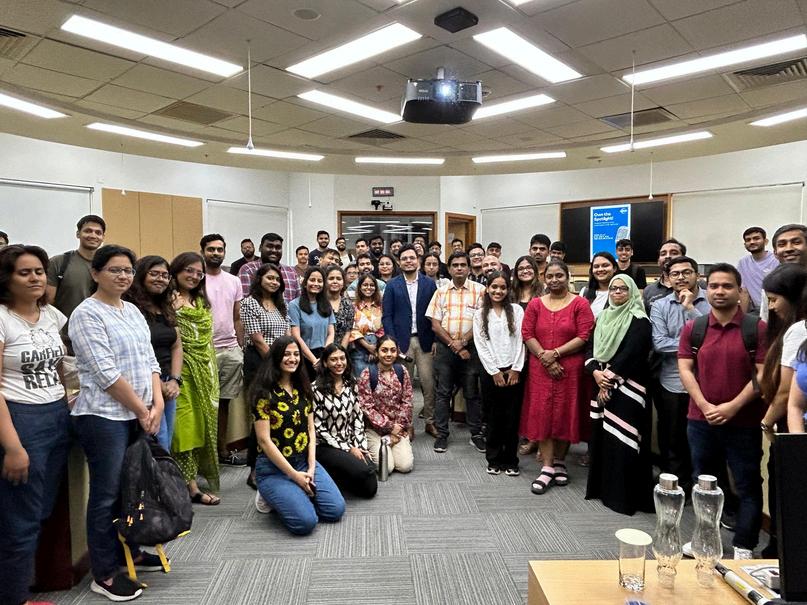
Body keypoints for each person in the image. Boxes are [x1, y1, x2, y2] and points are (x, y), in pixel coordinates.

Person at [69, 245, 164, 602]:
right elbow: (105, 373)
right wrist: (142, 410)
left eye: (127, 270)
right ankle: (105, 573)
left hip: (140, 412)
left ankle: (131, 553)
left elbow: (150, 360)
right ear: (95, 273)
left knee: (132, 490)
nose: (123, 276)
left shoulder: (133, 310)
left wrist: (156, 403)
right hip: (103, 417)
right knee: (106, 495)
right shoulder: (86, 314)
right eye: (114, 269)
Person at [679, 263, 767, 559]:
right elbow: (685, 369)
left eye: (727, 286)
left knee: (746, 483)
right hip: (700, 420)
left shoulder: (756, 328)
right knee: (703, 482)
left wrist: (732, 406)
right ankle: (705, 540)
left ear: (739, 290)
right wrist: (704, 405)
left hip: (743, 421)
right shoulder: (695, 328)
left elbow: (762, 375)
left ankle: (744, 544)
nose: (719, 291)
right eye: (714, 286)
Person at [0, 245, 71, 605]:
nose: (35, 278)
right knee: (20, 517)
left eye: (39, 271)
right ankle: (14, 597)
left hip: (56, 415)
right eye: (24, 272)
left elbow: (59, 367)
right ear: (6, 279)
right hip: (20, 419)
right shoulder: (2, 319)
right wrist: (13, 446)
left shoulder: (52, 316)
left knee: (42, 509)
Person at [250, 336, 345, 534]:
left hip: (302, 460)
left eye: (296, 354)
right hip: (273, 468)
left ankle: (295, 493)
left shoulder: (303, 387)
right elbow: (264, 441)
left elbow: (311, 430)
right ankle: (269, 494)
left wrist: (311, 468)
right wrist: (294, 477)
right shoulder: (263, 393)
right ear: (276, 357)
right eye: (286, 354)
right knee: (305, 523)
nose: (292, 359)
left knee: (335, 510)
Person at [521, 259, 594, 495]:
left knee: (564, 414)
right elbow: (527, 333)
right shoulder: (535, 304)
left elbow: (584, 335)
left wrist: (556, 354)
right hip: (540, 368)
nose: (554, 280)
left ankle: (560, 461)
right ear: (544, 279)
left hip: (569, 369)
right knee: (543, 415)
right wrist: (546, 357)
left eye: (559, 276)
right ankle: (547, 466)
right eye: (550, 276)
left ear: (567, 276)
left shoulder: (580, 304)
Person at [585, 275, 654, 515]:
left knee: (625, 439)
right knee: (603, 438)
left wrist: (609, 381)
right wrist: (595, 372)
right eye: (613, 289)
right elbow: (590, 348)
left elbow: (633, 354)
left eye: (623, 289)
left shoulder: (640, 320)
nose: (617, 292)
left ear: (632, 292)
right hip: (601, 382)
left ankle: (623, 497)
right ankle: (603, 490)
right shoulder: (603, 317)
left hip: (629, 388)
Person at [756, 264, 807, 557]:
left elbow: (787, 391)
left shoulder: (799, 331)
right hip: (793, 425)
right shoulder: (792, 328)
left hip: (790, 427)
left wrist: (766, 422)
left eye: (775, 299)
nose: (772, 307)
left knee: (786, 496)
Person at [649, 255, 710, 494]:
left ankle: (701, 489)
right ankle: (676, 487)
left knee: (703, 440)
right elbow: (660, 343)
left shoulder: (711, 301)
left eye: (686, 272)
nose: (681, 278)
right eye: (675, 274)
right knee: (672, 439)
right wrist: (695, 346)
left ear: (697, 275)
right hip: (672, 382)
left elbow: (714, 339)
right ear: (668, 278)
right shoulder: (660, 306)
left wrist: (690, 308)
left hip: (706, 383)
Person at [170, 252, 220, 506]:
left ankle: (190, 480)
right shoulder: (169, 300)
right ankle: (188, 487)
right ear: (176, 271)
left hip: (205, 372)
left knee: (200, 429)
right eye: (188, 270)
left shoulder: (201, 301)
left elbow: (207, 340)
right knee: (184, 432)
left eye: (199, 273)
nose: (194, 276)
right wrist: (173, 310)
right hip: (181, 373)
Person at [426, 251, 487, 453]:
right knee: (443, 393)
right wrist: (454, 344)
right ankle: (442, 435)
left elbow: (481, 322)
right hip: (445, 349)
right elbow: (435, 324)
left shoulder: (480, 291)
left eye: (463, 265)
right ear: (449, 269)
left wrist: (463, 343)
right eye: (455, 265)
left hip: (471, 349)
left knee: (472, 393)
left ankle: (476, 434)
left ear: (469, 268)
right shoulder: (440, 292)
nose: (459, 268)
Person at [240, 263, 290, 491]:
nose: (274, 282)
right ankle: (254, 470)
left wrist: (287, 361)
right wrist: (278, 364)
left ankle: (276, 465)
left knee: (278, 414)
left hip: (281, 363)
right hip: (260, 363)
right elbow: (258, 341)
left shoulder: (281, 304)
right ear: (259, 279)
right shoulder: (249, 303)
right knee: (261, 415)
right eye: (270, 278)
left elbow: (287, 335)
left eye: (277, 279)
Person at [125, 255, 183, 452]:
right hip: (144, 383)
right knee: (159, 441)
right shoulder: (131, 309)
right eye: (154, 274)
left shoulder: (165, 307)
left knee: (166, 441)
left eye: (165, 275)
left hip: (168, 382)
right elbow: (138, 353)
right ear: (141, 275)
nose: (161, 279)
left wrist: (175, 379)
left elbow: (176, 346)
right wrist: (159, 384)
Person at [382, 244, 438, 437]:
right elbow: (387, 316)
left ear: (418, 260)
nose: (408, 261)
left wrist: (435, 339)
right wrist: (392, 343)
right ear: (399, 262)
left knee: (428, 384)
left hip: (425, 341)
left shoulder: (429, 284)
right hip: (401, 343)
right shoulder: (392, 285)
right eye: (404, 258)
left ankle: (430, 422)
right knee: (403, 387)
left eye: (412, 258)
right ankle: (407, 424)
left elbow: (436, 314)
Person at [473, 271, 525, 476]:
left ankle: (511, 460)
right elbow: (481, 344)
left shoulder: (517, 311)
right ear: (487, 288)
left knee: (512, 418)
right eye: (494, 286)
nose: (498, 291)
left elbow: (521, 341)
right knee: (493, 417)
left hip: (513, 371)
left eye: (503, 287)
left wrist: (516, 368)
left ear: (508, 290)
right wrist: (494, 371)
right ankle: (493, 459)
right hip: (491, 372)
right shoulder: (480, 314)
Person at [200, 234, 245, 466]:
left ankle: (222, 451)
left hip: (230, 349)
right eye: (211, 249)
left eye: (219, 249)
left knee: (224, 403)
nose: (216, 253)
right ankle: (204, 456)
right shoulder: (197, 279)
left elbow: (237, 317)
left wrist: (239, 346)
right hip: (205, 351)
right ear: (202, 252)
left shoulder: (234, 281)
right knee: (204, 404)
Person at [313, 344, 377, 498]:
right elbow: (318, 429)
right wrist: (349, 449)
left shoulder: (351, 383)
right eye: (333, 359)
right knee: (368, 479)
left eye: (342, 358)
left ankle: (337, 475)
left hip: (350, 441)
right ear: (325, 363)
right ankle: (331, 473)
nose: (339, 363)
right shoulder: (315, 389)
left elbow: (357, 417)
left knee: (370, 472)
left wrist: (360, 445)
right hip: (326, 445)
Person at [357, 335, 414, 474]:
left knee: (405, 466)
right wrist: (390, 427)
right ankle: (376, 448)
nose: (389, 354)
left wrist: (398, 428)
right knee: (386, 468)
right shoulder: (367, 374)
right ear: (377, 352)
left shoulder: (402, 371)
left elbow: (407, 401)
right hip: (375, 430)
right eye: (384, 350)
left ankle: (393, 444)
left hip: (398, 427)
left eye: (393, 350)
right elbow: (367, 407)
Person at [46, 214, 106, 319]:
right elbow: (48, 303)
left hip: (100, 327)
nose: (93, 236)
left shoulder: (109, 266)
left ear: (103, 237)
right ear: (78, 234)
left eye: (98, 233)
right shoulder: (58, 262)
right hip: (65, 328)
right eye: (88, 231)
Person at [289, 266, 335, 380]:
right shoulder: (294, 305)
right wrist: (314, 361)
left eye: (320, 281)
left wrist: (324, 356)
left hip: (324, 354)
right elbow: (296, 336)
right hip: (304, 356)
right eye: (312, 280)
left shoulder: (326, 305)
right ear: (305, 283)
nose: (316, 283)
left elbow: (331, 333)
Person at [759, 224, 807, 321]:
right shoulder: (772, 283)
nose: (789, 249)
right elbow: (766, 320)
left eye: (796, 242)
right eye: (782, 245)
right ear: (775, 253)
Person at [238, 232, 300, 302]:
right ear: (260, 248)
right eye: (270, 246)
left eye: (278, 247)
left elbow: (299, 302)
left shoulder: (291, 272)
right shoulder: (248, 269)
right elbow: (245, 302)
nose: (274, 250)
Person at [349, 274, 384, 378]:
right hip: (359, 348)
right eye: (365, 285)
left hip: (378, 347)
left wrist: (375, 348)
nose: (368, 287)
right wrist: (368, 347)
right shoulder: (353, 306)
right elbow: (353, 329)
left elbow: (384, 327)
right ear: (360, 287)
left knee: (377, 381)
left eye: (371, 285)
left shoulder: (381, 306)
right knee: (361, 380)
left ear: (376, 287)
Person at [736, 227, 778, 309]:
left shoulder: (776, 260)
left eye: (756, 238)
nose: (752, 242)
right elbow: (744, 292)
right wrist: (742, 316)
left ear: (766, 241)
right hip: (756, 309)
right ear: (745, 245)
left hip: (776, 307)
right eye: (748, 240)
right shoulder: (743, 263)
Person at [643, 238, 687, 310]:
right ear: (658, 261)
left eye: (674, 253)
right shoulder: (649, 290)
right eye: (663, 254)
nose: (668, 256)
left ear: (684, 259)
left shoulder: (698, 286)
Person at [580, 252, 617, 318]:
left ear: (614, 269)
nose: (600, 269)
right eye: (596, 266)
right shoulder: (585, 292)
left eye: (605, 265)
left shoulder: (621, 292)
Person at [324, 264, 353, 348]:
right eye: (331, 278)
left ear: (343, 282)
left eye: (339, 279)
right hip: (320, 349)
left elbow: (348, 332)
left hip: (342, 349)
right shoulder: (319, 302)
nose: (335, 281)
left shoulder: (347, 304)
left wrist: (341, 352)